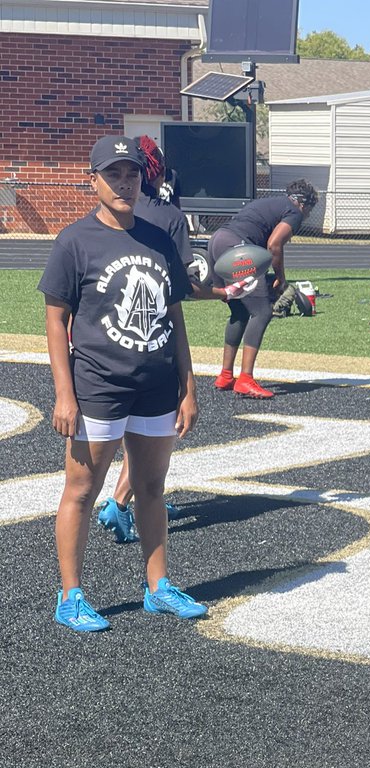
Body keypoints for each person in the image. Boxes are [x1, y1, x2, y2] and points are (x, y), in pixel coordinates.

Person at [39, 135, 207, 632]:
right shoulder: (74, 241)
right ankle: (71, 596)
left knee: (151, 488)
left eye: (132, 174)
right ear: (93, 180)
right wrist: (64, 393)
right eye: (113, 174)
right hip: (97, 387)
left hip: (155, 385)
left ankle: (158, 587)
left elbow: (174, 315)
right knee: (82, 491)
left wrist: (188, 385)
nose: (124, 183)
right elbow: (55, 322)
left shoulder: (157, 238)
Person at [96, 135, 251, 544]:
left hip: (108, 349)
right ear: (159, 170)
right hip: (153, 341)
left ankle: (130, 500)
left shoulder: (114, 211)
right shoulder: (168, 218)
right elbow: (181, 288)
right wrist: (222, 292)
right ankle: (121, 502)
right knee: (150, 432)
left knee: (123, 438)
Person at [208, 180, 319, 399]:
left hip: (216, 242)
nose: (306, 217)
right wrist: (281, 279)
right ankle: (246, 379)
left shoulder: (271, 203)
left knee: (239, 312)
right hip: (236, 248)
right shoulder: (294, 213)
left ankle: (226, 374)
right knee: (262, 312)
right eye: (309, 211)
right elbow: (274, 245)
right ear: (304, 205)